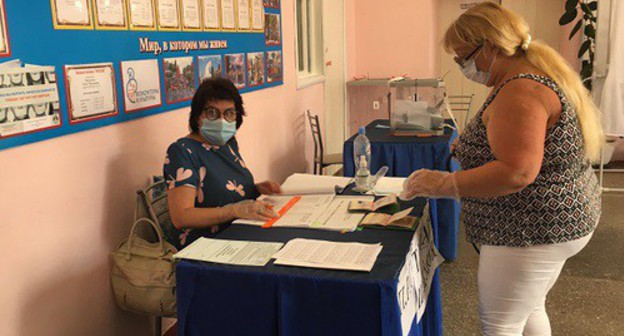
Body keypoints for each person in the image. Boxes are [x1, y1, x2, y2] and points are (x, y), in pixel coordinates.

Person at [400, 3, 603, 335]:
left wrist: (445, 183)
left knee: (500, 323)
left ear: (490, 47)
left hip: (529, 230)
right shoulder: (533, 75)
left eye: (463, 57)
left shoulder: (520, 90)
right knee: (529, 306)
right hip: (558, 222)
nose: (461, 66)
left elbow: (516, 172)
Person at [164, 78, 280, 250]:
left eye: (229, 113)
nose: (222, 120)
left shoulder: (228, 143)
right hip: (206, 247)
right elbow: (182, 217)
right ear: (197, 116)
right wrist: (234, 211)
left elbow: (223, 188)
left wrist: (256, 188)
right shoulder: (182, 151)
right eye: (212, 112)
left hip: (241, 233)